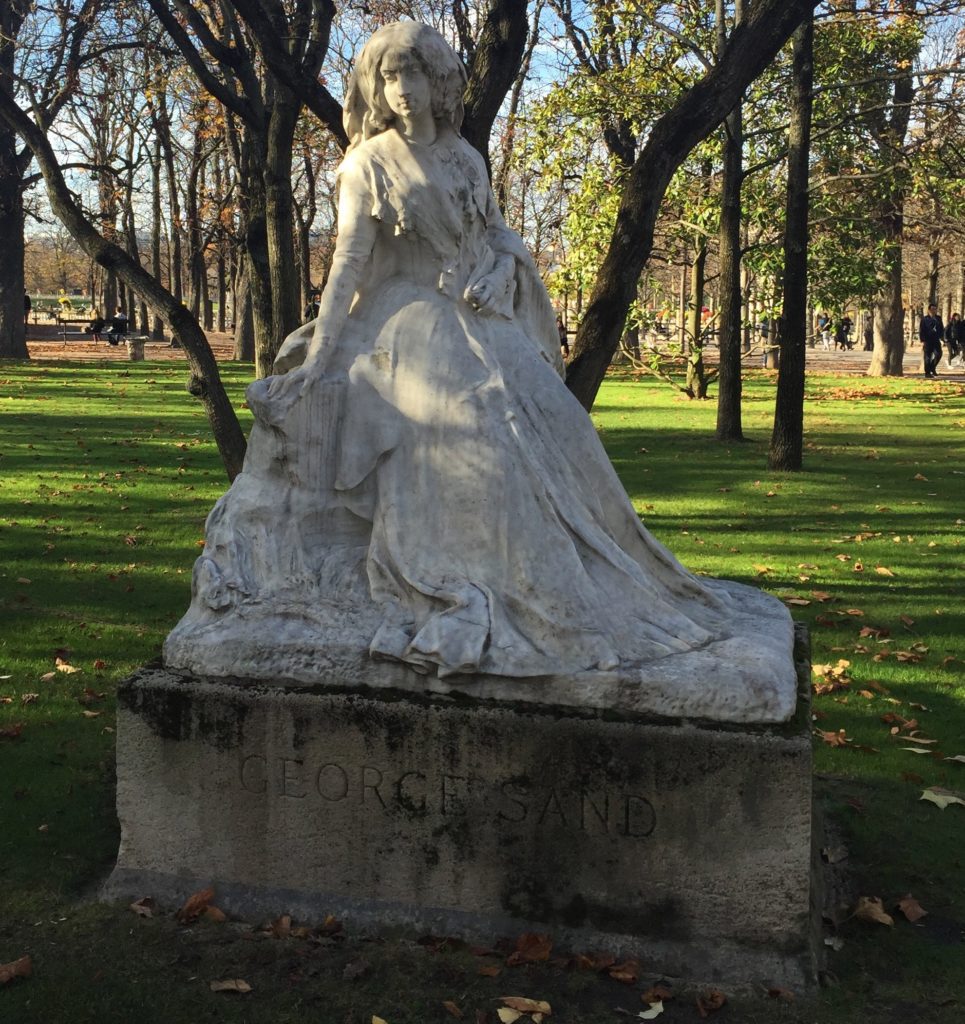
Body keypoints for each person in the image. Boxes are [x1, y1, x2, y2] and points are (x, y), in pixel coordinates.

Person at [170, 21, 786, 686]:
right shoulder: (368, 164)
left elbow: (493, 236)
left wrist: (497, 269)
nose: (402, 90)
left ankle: (575, 588)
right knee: (481, 436)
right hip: (406, 325)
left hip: (478, 318)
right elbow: (348, 263)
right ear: (375, 89)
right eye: (388, 77)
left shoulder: (465, 157)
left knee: (563, 434)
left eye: (414, 74)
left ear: (439, 81)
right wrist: (319, 358)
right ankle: (476, 585)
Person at [919, 303, 944, 377]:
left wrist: (942, 338)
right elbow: (922, 330)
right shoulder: (925, 319)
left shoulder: (938, 318)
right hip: (928, 340)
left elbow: (941, 328)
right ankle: (927, 373)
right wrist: (922, 340)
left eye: (935, 309)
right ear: (929, 310)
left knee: (938, 354)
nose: (934, 311)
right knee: (927, 357)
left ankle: (932, 367)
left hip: (936, 339)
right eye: (932, 309)